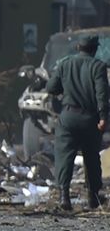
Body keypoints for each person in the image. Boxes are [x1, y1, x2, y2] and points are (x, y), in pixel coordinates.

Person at [46, 34, 108, 211]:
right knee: (92, 158)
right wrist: (103, 117)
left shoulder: (65, 64)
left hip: (68, 117)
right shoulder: (98, 66)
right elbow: (102, 94)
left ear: (78, 47)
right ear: (95, 49)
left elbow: (51, 88)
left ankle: (64, 196)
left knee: (64, 156)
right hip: (90, 119)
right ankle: (94, 198)